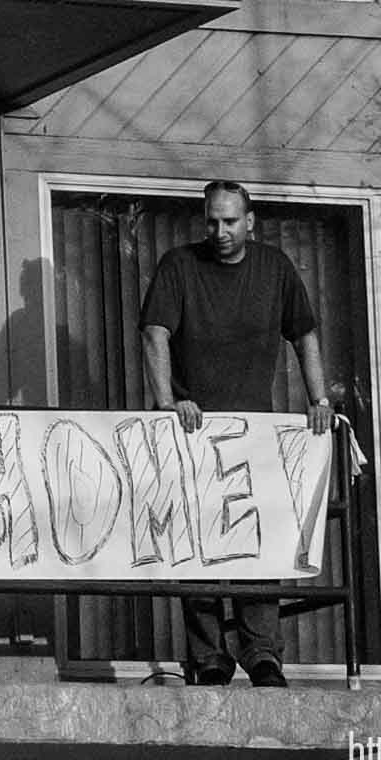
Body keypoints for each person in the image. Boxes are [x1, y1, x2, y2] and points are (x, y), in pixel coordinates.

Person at [139, 180, 334, 689]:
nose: (220, 231)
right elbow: (155, 332)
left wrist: (319, 402)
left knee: (257, 541)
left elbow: (304, 335)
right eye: (211, 221)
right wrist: (167, 403)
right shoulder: (179, 266)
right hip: (193, 428)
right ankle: (209, 658)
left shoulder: (275, 269)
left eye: (229, 221)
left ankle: (262, 654)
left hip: (256, 431)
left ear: (250, 222)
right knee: (196, 547)